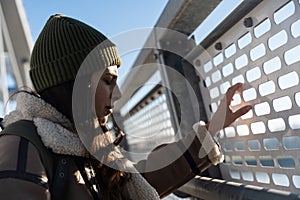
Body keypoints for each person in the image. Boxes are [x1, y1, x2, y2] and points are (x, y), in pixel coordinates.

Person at [0, 14, 251, 199]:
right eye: (108, 81)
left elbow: (132, 185)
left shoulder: (80, 141)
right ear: (74, 84)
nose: (117, 94)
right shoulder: (22, 145)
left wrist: (213, 127)